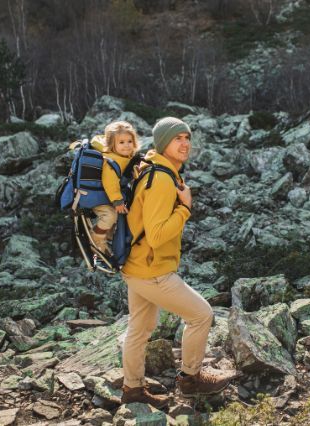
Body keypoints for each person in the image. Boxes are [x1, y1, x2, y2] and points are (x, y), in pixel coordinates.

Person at [119, 117, 234, 408]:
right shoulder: (160, 179)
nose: (184, 144)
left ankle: (132, 389)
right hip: (152, 270)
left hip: (134, 265)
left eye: (187, 137)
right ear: (162, 143)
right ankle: (191, 380)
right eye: (177, 138)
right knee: (201, 315)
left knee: (139, 328)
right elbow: (157, 235)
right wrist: (185, 208)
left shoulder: (153, 169)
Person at [89, 121, 140, 253]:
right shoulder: (112, 160)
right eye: (121, 142)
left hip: (108, 195)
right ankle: (96, 238)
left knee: (122, 214)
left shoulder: (126, 156)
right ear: (112, 144)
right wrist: (117, 200)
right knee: (110, 215)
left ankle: (108, 235)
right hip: (99, 196)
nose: (127, 145)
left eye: (129, 141)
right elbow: (110, 181)